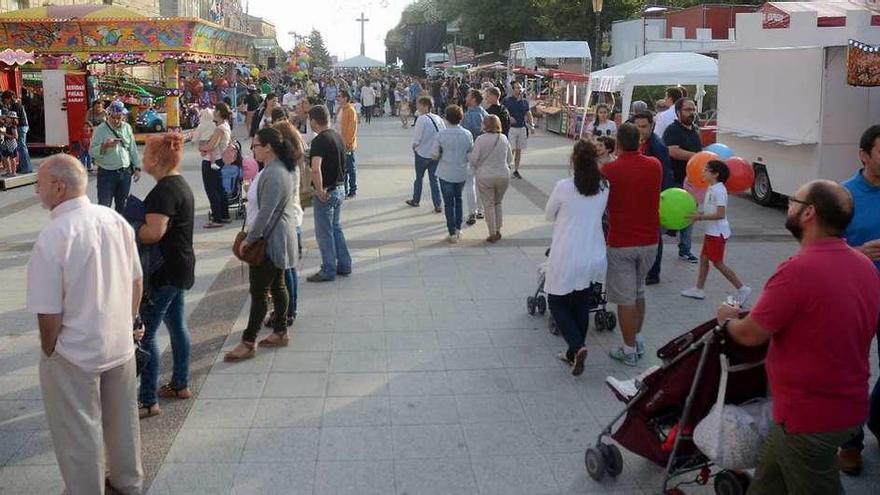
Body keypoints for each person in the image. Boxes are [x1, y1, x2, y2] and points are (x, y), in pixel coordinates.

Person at [718, 179, 880, 495]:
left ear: (809, 214)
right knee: (768, 482)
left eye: (794, 200)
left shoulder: (797, 270)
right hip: (845, 405)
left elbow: (751, 335)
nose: (789, 205)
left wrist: (727, 320)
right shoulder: (864, 264)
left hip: (809, 418)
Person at [27, 154, 144, 494]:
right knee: (124, 423)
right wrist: (129, 322)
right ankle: (128, 483)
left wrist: (51, 349)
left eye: (39, 184)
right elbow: (136, 281)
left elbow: (48, 313)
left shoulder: (53, 236)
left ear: (58, 187)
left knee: (79, 433)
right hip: (119, 344)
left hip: (74, 351)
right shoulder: (114, 219)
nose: (36, 191)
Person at [225, 128, 299, 361]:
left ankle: (249, 341)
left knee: (259, 291)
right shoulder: (277, 169)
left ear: (267, 147)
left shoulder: (275, 173)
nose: (252, 149)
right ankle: (280, 331)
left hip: (270, 240)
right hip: (277, 237)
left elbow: (266, 212)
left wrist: (250, 238)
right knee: (277, 285)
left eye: (255, 145)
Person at [136, 132, 195, 419]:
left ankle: (147, 400)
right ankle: (180, 383)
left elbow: (153, 233)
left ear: (157, 159)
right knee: (177, 326)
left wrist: (131, 229)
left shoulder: (163, 192)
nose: (142, 158)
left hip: (165, 272)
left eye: (146, 154)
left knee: (144, 334)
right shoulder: (179, 184)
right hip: (180, 266)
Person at [544, 140, 609, 375]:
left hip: (567, 251)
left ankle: (577, 345)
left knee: (556, 301)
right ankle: (574, 354)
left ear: (574, 160)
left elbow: (548, 215)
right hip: (593, 251)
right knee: (581, 300)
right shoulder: (604, 186)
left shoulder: (564, 186)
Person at [838, 125, 880, 475]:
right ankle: (850, 443)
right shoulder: (842, 197)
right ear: (864, 155)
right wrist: (856, 253)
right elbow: (816, 250)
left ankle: (877, 420)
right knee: (854, 373)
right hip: (856, 300)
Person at [603, 123, 662, 366]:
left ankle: (628, 351)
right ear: (639, 141)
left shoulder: (610, 170)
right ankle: (637, 339)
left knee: (625, 299)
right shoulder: (654, 166)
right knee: (639, 291)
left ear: (617, 142)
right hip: (649, 240)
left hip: (621, 241)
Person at [680, 160, 752, 303]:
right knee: (704, 259)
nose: (703, 172)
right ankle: (699, 289)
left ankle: (742, 288)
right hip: (711, 232)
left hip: (717, 233)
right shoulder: (712, 188)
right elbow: (710, 209)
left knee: (718, 263)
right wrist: (698, 214)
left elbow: (720, 214)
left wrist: (699, 217)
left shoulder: (719, 191)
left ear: (715, 174)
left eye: (706, 170)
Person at [307, 105, 352, 282]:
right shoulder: (337, 136)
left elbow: (316, 169)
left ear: (313, 121)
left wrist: (318, 190)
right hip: (340, 188)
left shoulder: (319, 141)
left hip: (327, 191)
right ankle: (344, 264)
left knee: (324, 233)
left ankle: (328, 269)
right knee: (336, 228)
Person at [270, 118, 306, 326]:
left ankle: (287, 311)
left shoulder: (284, 166)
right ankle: (289, 309)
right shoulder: (291, 162)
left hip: (286, 220)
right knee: (289, 268)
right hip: (294, 217)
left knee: (286, 270)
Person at [631, 112, 674, 285]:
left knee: (655, 236)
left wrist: (660, 198)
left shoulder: (657, 146)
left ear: (651, 126)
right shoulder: (640, 142)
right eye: (637, 126)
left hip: (653, 198)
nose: (640, 130)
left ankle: (654, 273)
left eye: (644, 126)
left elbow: (664, 174)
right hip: (641, 197)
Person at [663, 97, 701, 263]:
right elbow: (672, 151)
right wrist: (696, 157)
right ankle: (654, 246)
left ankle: (685, 250)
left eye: (693, 110)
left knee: (689, 216)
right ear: (678, 112)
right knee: (666, 216)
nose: (691, 113)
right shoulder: (672, 130)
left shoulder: (695, 130)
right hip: (676, 181)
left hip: (693, 182)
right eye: (687, 110)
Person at [432, 105, 474, 243]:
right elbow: (470, 153)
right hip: (461, 171)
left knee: (449, 203)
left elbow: (435, 154)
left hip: (445, 171)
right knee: (458, 199)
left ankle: (451, 232)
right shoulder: (467, 134)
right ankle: (458, 228)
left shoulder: (441, 135)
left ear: (446, 118)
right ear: (461, 118)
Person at [90, 101, 141, 214]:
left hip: (125, 172)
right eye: (114, 117)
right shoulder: (100, 130)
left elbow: (132, 148)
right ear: (109, 115)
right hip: (107, 174)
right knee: (104, 207)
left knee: (122, 206)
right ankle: (104, 230)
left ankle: (120, 230)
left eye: (119, 117)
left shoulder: (127, 128)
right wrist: (104, 146)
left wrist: (137, 168)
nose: (117, 120)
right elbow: (91, 152)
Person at [468, 115, 512, 243]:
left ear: (485, 125)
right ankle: (498, 229)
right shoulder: (503, 138)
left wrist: (468, 156)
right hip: (503, 175)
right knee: (498, 203)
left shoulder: (480, 139)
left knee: (489, 205)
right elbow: (510, 159)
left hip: (485, 176)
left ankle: (492, 233)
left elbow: (474, 159)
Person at [406, 96, 445, 212]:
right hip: (435, 154)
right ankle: (437, 204)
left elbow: (417, 139)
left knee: (419, 178)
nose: (417, 107)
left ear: (425, 106)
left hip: (422, 154)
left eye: (419, 105)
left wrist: (414, 147)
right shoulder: (438, 118)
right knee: (434, 179)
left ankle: (416, 199)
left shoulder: (421, 119)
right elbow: (443, 134)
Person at [199, 102, 232, 228]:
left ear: (218, 112)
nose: (213, 112)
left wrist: (201, 148)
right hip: (220, 159)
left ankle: (217, 218)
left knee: (212, 189)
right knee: (219, 188)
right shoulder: (225, 125)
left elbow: (211, 145)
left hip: (212, 161)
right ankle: (224, 215)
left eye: (214, 110)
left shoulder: (219, 129)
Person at [461, 89, 488, 225]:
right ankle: (480, 210)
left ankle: (472, 212)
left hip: (471, 153)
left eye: (468, 96)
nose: (466, 98)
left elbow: (464, 135)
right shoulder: (486, 114)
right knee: (481, 183)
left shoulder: (466, 116)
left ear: (473, 100)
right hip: (484, 153)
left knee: (470, 183)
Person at [503, 81, 533, 179]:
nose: (519, 90)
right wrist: (509, 117)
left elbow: (528, 113)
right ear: (512, 89)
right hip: (512, 128)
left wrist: (531, 125)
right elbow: (503, 110)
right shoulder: (507, 100)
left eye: (520, 88)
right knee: (511, 149)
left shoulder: (524, 101)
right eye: (516, 88)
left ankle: (516, 170)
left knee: (519, 150)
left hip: (522, 128)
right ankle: (507, 167)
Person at [336, 90, 359, 198]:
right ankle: (344, 189)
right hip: (339, 143)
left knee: (350, 168)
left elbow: (352, 129)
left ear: (345, 98)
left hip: (347, 145)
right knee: (342, 168)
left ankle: (352, 189)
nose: (338, 98)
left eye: (339, 96)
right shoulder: (340, 109)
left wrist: (348, 144)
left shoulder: (350, 110)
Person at [2, 91, 31, 174]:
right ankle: (24, 167)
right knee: (21, 147)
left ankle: (26, 168)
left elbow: (14, 119)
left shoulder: (16, 105)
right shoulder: (17, 104)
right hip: (23, 126)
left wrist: (5, 117)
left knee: (21, 147)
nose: (5, 101)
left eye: (6, 99)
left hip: (21, 127)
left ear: (9, 98)